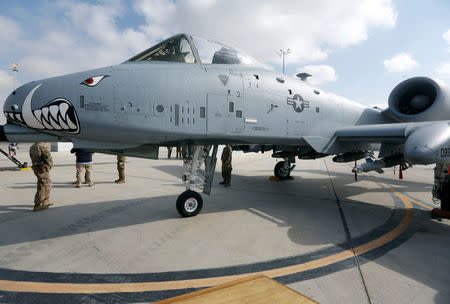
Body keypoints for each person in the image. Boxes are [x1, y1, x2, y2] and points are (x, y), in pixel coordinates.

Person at [29, 142, 53, 211]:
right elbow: (47, 157)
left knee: (44, 183)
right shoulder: (42, 146)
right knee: (44, 185)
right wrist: (48, 166)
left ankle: (46, 200)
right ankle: (37, 204)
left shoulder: (32, 146)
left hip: (36, 167)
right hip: (42, 168)